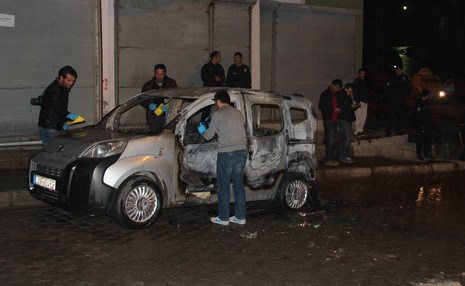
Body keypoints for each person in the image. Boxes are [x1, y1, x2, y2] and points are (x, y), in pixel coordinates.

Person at [199, 90, 248, 226]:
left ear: (218, 102)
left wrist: (202, 130)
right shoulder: (239, 113)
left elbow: (208, 136)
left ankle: (223, 217)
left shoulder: (217, 114)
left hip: (227, 153)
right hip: (242, 152)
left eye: (215, 102)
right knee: (238, 185)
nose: (215, 104)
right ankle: (240, 216)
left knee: (224, 186)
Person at [38, 65, 79, 146]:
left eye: (73, 81)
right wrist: (68, 115)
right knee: (56, 151)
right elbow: (56, 105)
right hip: (51, 127)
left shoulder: (62, 87)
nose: (71, 83)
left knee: (49, 150)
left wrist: (64, 122)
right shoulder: (54, 90)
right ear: (61, 78)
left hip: (50, 124)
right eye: (69, 80)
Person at [141, 64, 177, 133]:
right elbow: (141, 100)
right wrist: (149, 105)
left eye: (162, 74)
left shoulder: (171, 84)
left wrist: (168, 106)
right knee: (154, 135)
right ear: (154, 73)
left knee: (167, 135)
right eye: (157, 73)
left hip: (167, 115)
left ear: (165, 73)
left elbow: (176, 98)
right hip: (153, 116)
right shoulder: (148, 85)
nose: (159, 76)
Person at [318, 79, 343, 167]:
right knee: (330, 140)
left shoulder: (336, 94)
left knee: (332, 139)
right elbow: (321, 106)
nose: (337, 90)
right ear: (332, 85)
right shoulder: (325, 94)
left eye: (338, 88)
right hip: (328, 119)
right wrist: (333, 110)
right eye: (336, 87)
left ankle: (330, 158)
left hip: (335, 119)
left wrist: (338, 110)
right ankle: (329, 159)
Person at [385, 67, 410, 136]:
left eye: (400, 70)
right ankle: (388, 131)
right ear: (396, 71)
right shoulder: (392, 77)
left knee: (401, 116)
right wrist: (389, 97)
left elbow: (408, 87)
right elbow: (388, 88)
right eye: (398, 70)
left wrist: (407, 96)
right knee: (391, 116)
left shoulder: (405, 78)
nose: (399, 71)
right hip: (394, 100)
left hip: (402, 100)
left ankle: (398, 131)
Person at [337, 83, 358, 164]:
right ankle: (343, 156)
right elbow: (343, 104)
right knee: (347, 137)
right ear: (345, 89)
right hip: (343, 119)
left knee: (345, 137)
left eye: (351, 92)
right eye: (349, 91)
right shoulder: (341, 94)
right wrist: (350, 105)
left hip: (348, 118)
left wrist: (355, 106)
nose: (350, 93)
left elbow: (350, 106)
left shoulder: (348, 96)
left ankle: (343, 155)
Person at [412, 89, 433, 161]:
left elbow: (427, 113)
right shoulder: (418, 102)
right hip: (419, 124)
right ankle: (419, 154)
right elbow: (416, 115)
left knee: (427, 139)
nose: (429, 96)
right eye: (428, 95)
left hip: (426, 123)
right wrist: (418, 125)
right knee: (419, 139)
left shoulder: (426, 102)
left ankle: (426, 153)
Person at [352, 68, 369, 136]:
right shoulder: (356, 82)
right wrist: (357, 102)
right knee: (358, 117)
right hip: (359, 102)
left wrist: (367, 101)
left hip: (365, 102)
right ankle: (356, 131)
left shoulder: (364, 82)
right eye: (361, 73)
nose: (363, 75)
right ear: (358, 74)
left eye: (364, 74)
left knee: (364, 117)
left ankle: (361, 130)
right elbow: (355, 93)